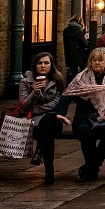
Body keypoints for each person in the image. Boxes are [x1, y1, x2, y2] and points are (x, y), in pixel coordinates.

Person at [56, 47, 105, 182]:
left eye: (100, 60)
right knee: (86, 134)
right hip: (85, 116)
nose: (97, 63)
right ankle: (92, 169)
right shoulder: (82, 78)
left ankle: (90, 168)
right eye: (94, 60)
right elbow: (67, 95)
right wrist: (61, 114)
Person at [19, 52, 69, 185]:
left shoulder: (58, 81)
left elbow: (57, 104)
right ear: (35, 65)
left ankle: (39, 154)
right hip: (35, 123)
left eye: (46, 63)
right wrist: (34, 93)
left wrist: (37, 109)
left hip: (53, 120)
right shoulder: (25, 82)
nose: (43, 66)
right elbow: (24, 107)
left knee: (50, 118)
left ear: (51, 65)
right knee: (47, 134)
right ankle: (49, 171)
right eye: (39, 63)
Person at [63, 15, 89, 82]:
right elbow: (85, 44)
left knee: (73, 72)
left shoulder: (66, 30)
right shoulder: (78, 31)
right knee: (81, 73)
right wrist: (85, 39)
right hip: (79, 55)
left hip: (69, 55)